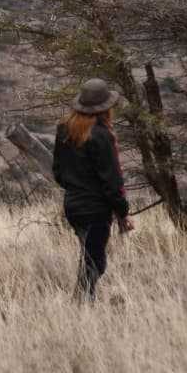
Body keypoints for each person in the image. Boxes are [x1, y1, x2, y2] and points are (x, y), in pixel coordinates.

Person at [52, 79, 132, 300]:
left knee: (89, 258)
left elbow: (57, 171)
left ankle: (84, 304)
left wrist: (75, 188)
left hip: (72, 206)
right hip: (96, 209)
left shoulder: (64, 129)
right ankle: (82, 305)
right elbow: (112, 181)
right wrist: (123, 212)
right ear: (105, 109)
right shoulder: (102, 136)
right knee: (95, 262)